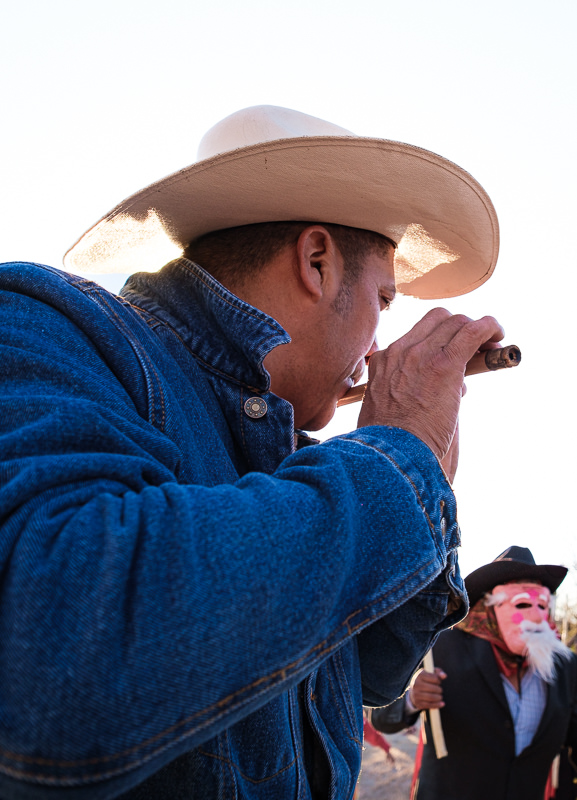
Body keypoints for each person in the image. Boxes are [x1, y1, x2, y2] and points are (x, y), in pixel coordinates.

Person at [0, 105, 505, 799]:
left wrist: (425, 479)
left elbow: (374, 668)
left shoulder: (287, 454)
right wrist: (396, 458)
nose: (375, 350)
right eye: (383, 301)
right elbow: (58, 664)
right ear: (317, 262)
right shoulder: (47, 322)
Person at [370, 546, 577, 800]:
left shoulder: (565, 667)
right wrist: (412, 699)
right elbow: (381, 717)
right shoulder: (440, 648)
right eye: (522, 603)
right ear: (490, 608)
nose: (535, 617)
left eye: (542, 605)